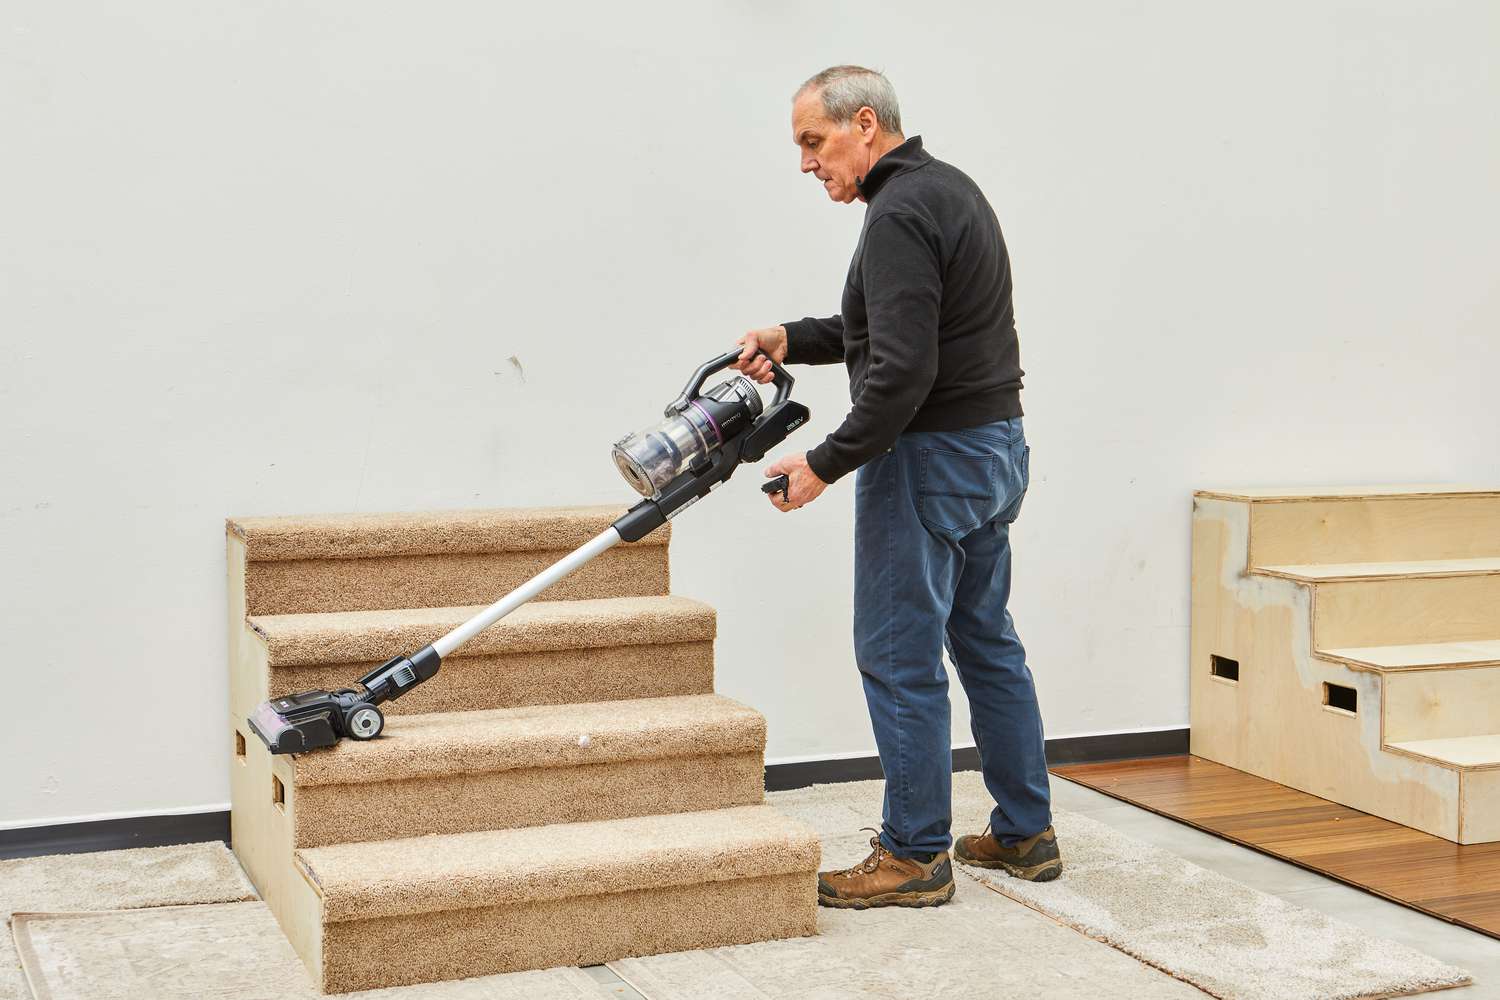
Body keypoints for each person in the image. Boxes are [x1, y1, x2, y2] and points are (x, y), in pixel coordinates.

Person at [734, 65, 1061, 910]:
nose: (808, 163)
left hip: (928, 458)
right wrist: (789, 336)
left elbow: (902, 368)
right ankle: (1026, 834)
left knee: (896, 653)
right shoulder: (948, 192)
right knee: (986, 640)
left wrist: (822, 464)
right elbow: (889, 326)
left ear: (865, 124)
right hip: (994, 449)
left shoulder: (897, 213)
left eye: (815, 141)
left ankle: (915, 854)